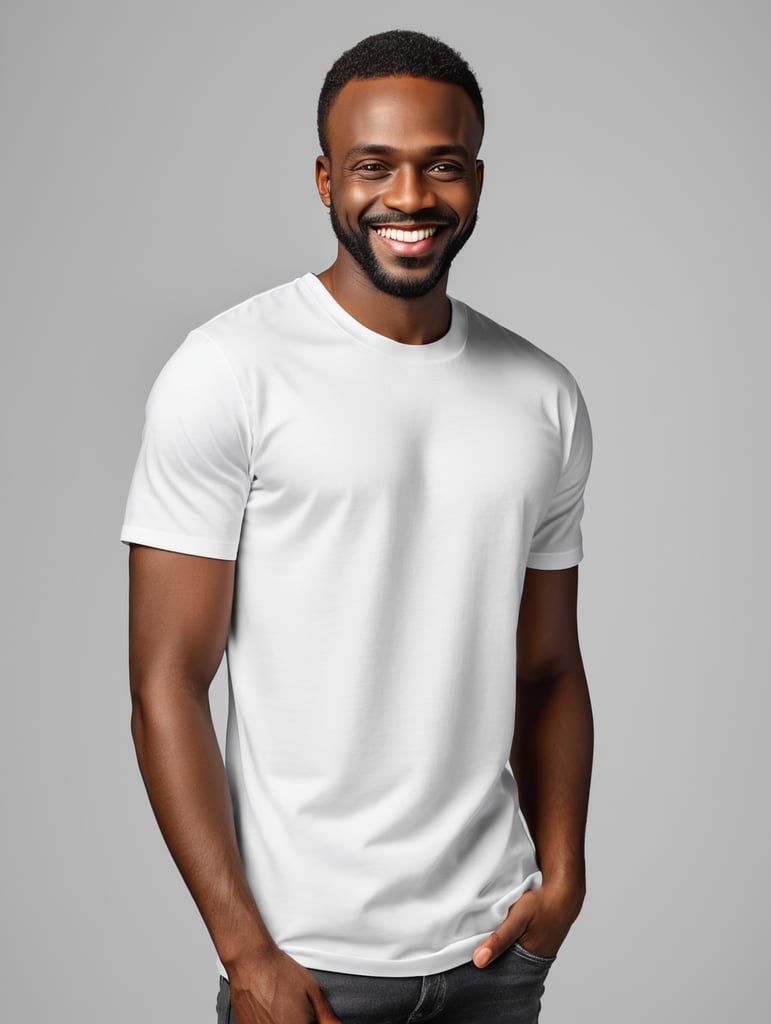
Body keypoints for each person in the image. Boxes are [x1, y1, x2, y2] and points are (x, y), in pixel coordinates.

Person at [121, 28, 594, 1024]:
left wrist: (563, 879)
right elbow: (166, 679)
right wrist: (244, 949)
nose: (411, 197)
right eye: (375, 166)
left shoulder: (543, 397)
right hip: (305, 971)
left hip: (494, 956)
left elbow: (548, 668)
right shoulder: (228, 372)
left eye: (442, 166)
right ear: (327, 177)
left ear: (477, 178)